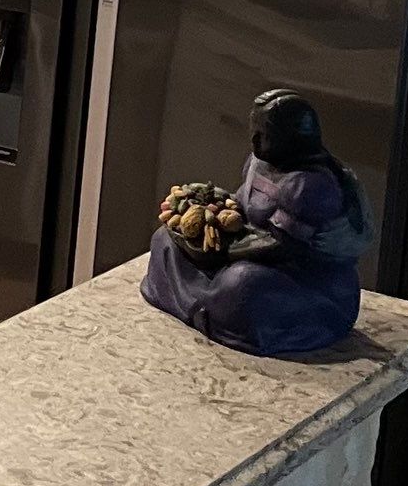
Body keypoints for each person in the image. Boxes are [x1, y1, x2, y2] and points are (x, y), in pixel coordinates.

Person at [141, 89, 372, 356]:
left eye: (264, 134)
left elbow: (283, 246)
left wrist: (220, 252)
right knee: (164, 239)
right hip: (244, 248)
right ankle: (204, 305)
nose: (254, 139)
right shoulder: (257, 162)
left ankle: (212, 311)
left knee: (242, 283)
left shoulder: (309, 185)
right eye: (254, 130)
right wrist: (208, 211)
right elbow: (241, 205)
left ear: (290, 139)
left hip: (303, 279)